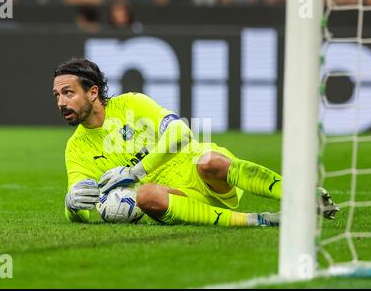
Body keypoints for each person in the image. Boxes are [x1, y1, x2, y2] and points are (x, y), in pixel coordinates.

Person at [53, 58, 339, 227]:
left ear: (92, 93)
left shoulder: (132, 104)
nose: (61, 102)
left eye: (68, 93)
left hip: (203, 171)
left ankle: (303, 195)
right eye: (57, 96)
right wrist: (71, 205)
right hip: (177, 196)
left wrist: (133, 173)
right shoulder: (76, 148)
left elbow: (181, 133)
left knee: (209, 161)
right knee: (146, 197)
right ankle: (260, 220)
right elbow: (81, 197)